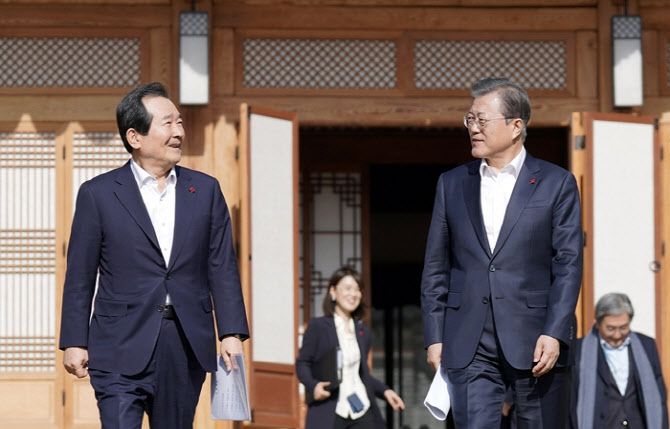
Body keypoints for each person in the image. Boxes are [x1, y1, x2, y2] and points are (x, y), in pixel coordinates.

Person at [59, 82, 249, 428]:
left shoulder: (205, 191)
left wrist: (231, 333)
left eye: (180, 122)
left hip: (184, 341)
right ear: (135, 136)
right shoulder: (98, 194)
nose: (179, 132)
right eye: (168, 123)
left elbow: (221, 265)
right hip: (118, 342)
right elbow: (80, 276)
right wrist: (74, 341)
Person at [420, 77, 583, 428]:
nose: (473, 128)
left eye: (482, 120)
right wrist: (434, 335)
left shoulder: (557, 183)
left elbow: (568, 264)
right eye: (469, 119)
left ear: (516, 126)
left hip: (537, 338)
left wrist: (554, 331)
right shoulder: (452, 183)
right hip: (469, 340)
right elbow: (436, 266)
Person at [296, 267, 405, 429]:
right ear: (333, 292)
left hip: (361, 408)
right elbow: (302, 363)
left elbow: (362, 374)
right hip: (330, 408)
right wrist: (313, 385)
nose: (353, 294)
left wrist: (385, 391)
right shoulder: (318, 327)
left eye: (357, 289)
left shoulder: (363, 332)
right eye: (347, 288)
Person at [570, 293, 668, 429]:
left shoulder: (647, 345)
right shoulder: (578, 351)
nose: (617, 335)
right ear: (597, 324)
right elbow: (570, 401)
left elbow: (659, 397)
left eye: (623, 328)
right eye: (610, 328)